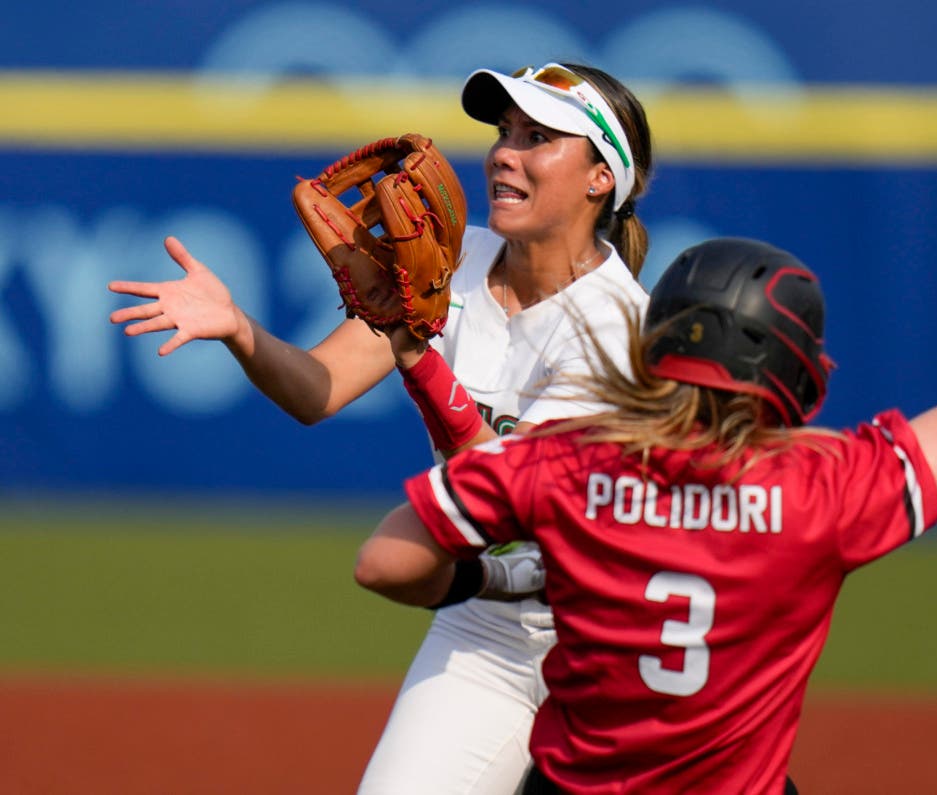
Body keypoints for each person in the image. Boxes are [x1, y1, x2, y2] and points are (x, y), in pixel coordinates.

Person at [351, 146, 937, 793]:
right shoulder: (826, 486)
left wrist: (503, 580)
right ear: (796, 368)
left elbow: (386, 561)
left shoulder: (563, 461)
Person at [108, 63, 654, 795]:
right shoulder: (458, 262)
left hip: (609, 650)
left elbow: (507, 505)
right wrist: (240, 329)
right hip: (487, 627)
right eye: (504, 133)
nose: (504, 152)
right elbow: (314, 389)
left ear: (599, 179)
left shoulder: (620, 327)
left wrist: (413, 352)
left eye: (539, 138)